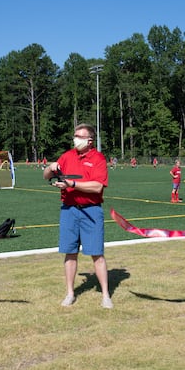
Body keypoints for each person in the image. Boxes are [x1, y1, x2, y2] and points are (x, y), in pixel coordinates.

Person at [43, 123, 113, 309]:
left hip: (91, 211)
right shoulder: (67, 156)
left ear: (90, 141)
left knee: (97, 254)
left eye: (80, 137)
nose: (76, 139)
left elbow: (97, 186)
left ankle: (106, 295)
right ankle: (70, 293)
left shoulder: (98, 158)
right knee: (70, 252)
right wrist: (51, 168)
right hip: (69, 210)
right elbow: (45, 176)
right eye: (75, 136)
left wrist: (72, 183)